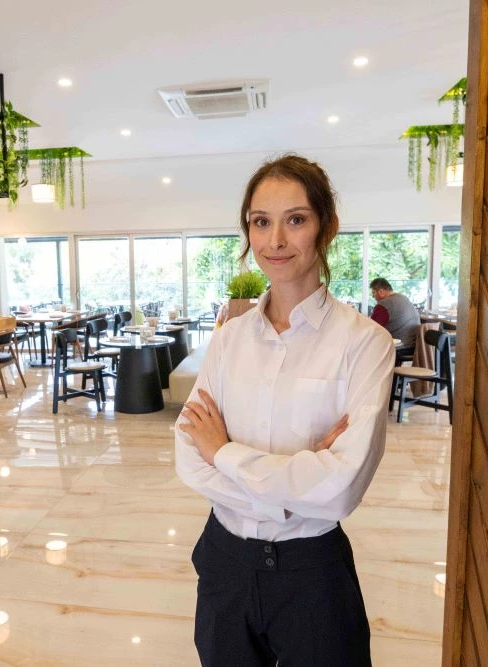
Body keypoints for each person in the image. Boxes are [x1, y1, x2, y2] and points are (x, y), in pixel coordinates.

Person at [176, 154, 394, 666]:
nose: (275, 240)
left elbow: (341, 490)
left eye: (295, 219)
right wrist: (301, 482)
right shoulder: (228, 340)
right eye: (261, 222)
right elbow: (188, 457)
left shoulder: (365, 343)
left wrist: (224, 453)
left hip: (312, 571)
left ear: (326, 227)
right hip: (225, 561)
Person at [369, 277, 420, 347]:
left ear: (381, 292)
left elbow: (372, 329)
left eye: (373, 293)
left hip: (398, 347)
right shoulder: (403, 297)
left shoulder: (384, 305)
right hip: (414, 345)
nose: (373, 296)